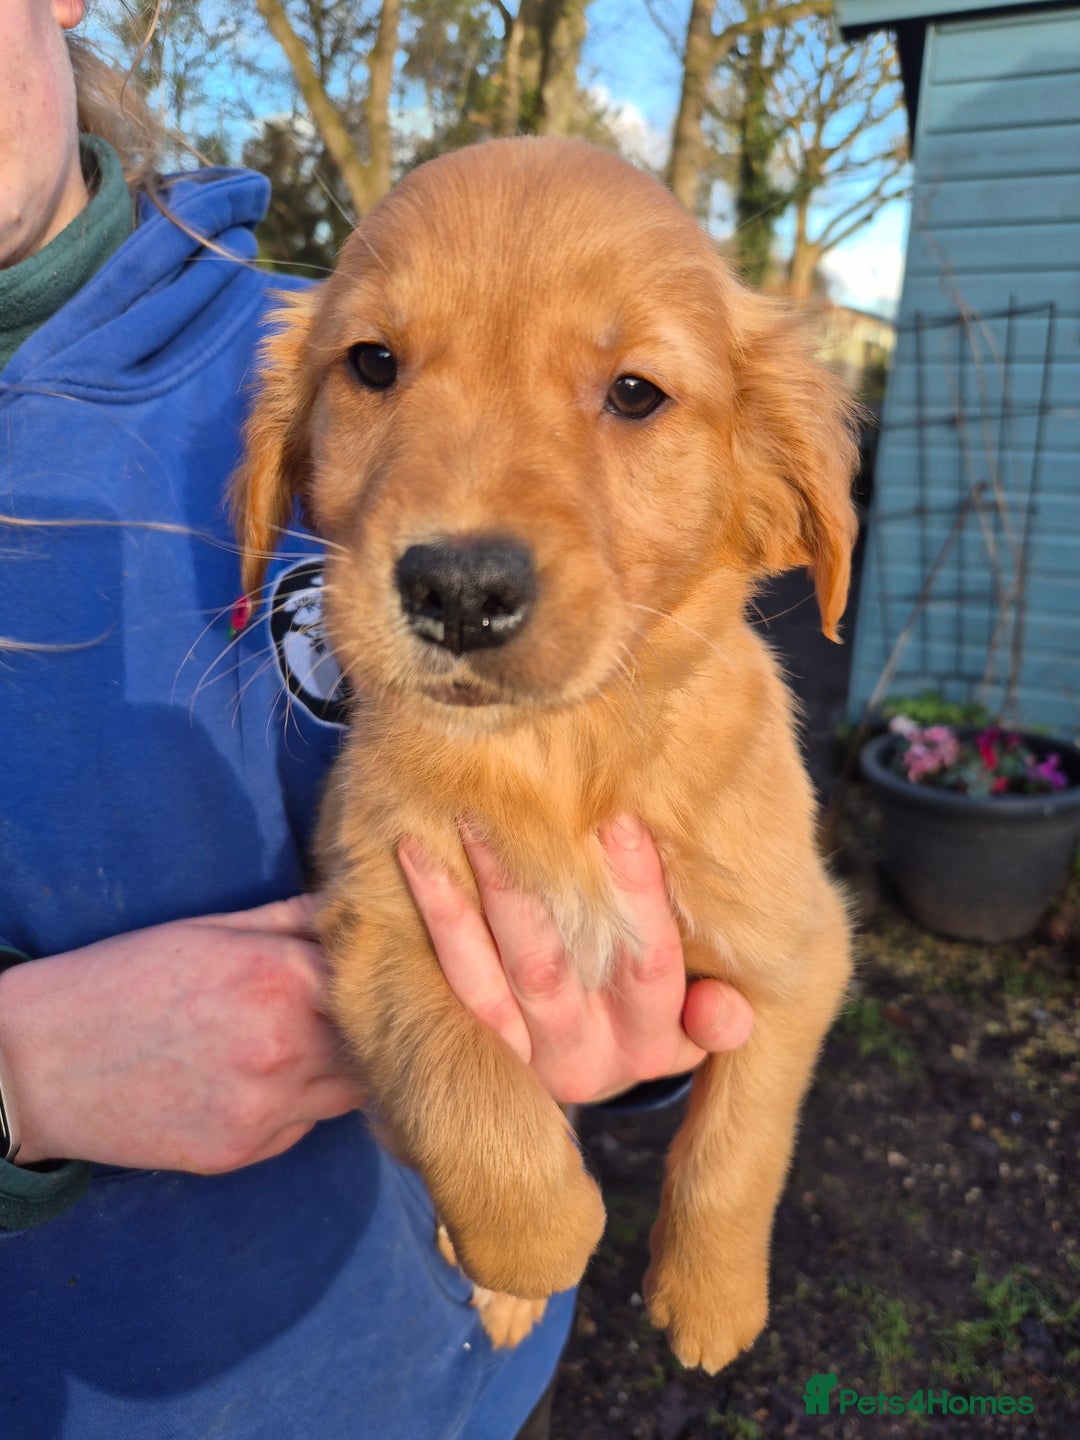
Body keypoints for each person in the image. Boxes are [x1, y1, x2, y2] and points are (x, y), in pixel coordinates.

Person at [0, 4, 753, 1437]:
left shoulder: (338, 342)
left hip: (428, 1382)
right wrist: (16, 1076)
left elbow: (674, 853)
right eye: (382, 374)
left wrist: (644, 1044)